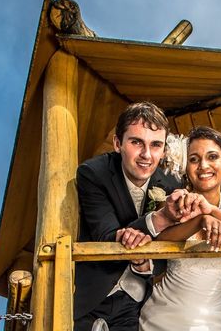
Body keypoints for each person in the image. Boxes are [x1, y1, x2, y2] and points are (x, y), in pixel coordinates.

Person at [74, 102, 189, 331]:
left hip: (136, 304)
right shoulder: (93, 173)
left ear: (164, 150)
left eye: (156, 145)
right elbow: (106, 237)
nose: (146, 155)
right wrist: (161, 218)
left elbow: (168, 254)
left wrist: (144, 263)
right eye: (137, 142)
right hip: (91, 299)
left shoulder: (172, 185)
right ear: (118, 143)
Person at [138, 126, 221, 331]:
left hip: (213, 318)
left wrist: (211, 210)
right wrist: (200, 220)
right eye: (194, 159)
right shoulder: (175, 203)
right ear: (186, 167)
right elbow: (159, 240)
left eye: (212, 157)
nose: (203, 165)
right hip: (161, 317)